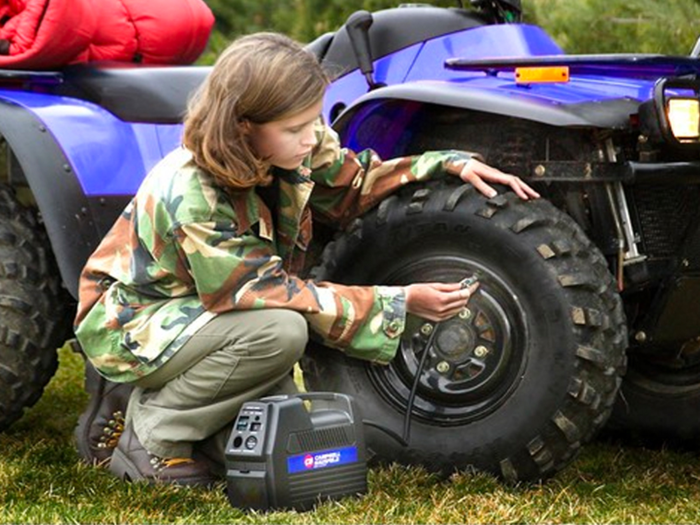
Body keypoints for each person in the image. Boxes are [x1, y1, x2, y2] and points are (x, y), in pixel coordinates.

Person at [73, 32, 540, 487]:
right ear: (242, 127)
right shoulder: (193, 191)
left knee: (284, 438)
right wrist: (398, 303)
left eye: (313, 120)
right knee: (281, 331)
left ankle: (193, 425)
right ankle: (153, 433)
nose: (310, 137)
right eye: (295, 129)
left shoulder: (291, 141)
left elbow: (353, 185)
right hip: (135, 320)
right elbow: (262, 292)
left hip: (207, 314)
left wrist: (447, 164)